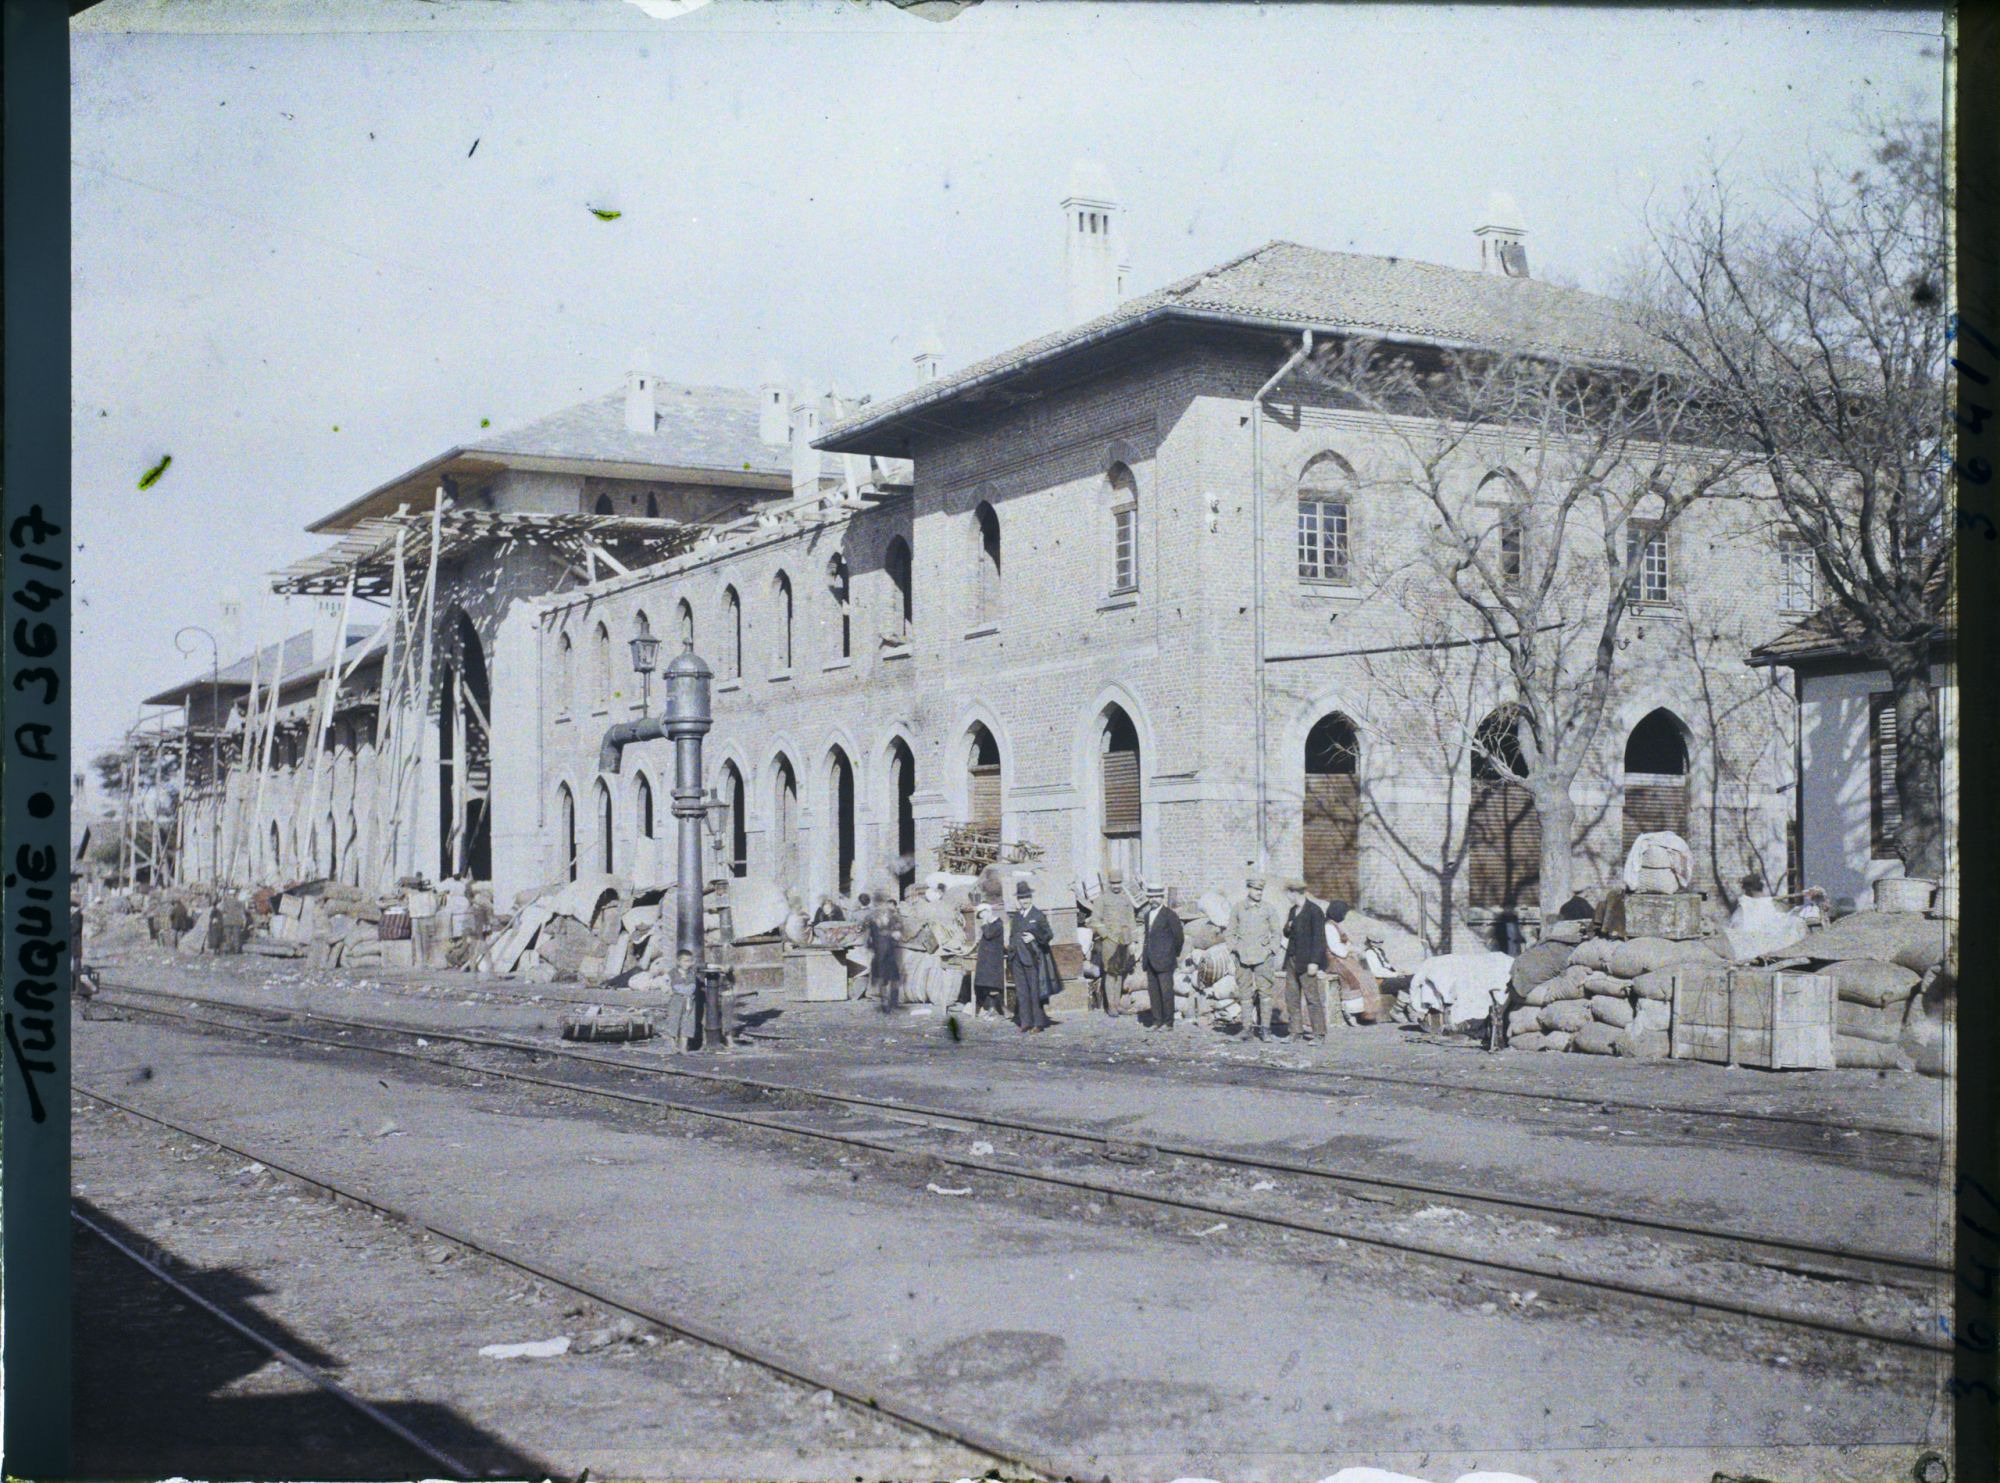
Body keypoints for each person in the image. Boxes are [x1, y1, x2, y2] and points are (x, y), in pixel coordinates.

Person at [1226, 872, 1283, 1041]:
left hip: (1263, 957)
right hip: (1242, 957)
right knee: (1245, 993)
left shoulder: (1268, 908)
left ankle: (1265, 1029)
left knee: (1265, 993)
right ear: (1248, 889)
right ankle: (1246, 1029)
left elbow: (1276, 933)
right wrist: (1234, 950)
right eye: (1256, 889)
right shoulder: (1238, 908)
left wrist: (1271, 950)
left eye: (1261, 890)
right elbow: (1229, 932)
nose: (1259, 892)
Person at [1280, 881, 1330, 1042]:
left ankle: (1319, 1034)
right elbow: (1288, 934)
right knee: (1291, 998)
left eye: (1288, 894)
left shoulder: (1314, 911)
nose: (1287, 897)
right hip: (1292, 960)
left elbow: (1319, 939)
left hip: (1307, 961)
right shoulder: (1293, 911)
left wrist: (1315, 962)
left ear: (1295, 893)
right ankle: (1295, 1032)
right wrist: (1288, 926)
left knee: (1312, 998)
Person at [1091, 868, 1137, 1017]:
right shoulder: (1102, 899)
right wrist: (1105, 935)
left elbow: (1131, 921)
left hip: (1124, 941)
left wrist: (1132, 941)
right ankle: (1110, 1005)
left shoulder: (1126, 899)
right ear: (1109, 883)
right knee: (1111, 973)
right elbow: (1095, 920)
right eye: (1113, 883)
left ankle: (1117, 1004)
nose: (1116, 886)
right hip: (1110, 942)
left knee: (1120, 972)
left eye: (1118, 883)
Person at [1008, 881, 1053, 1032]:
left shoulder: (1038, 915)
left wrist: (1034, 936)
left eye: (1026, 897)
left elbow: (1048, 935)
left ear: (1031, 897)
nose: (1024, 900)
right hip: (1017, 959)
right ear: (1018, 900)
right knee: (1021, 991)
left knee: (1035, 991)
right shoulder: (1016, 917)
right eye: (1021, 898)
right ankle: (1025, 1022)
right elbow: (1012, 935)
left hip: (1032, 959)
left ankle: (1038, 1023)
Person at [1139, 882, 1183, 1030]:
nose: (1153, 900)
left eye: (1156, 897)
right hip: (1150, 959)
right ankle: (1156, 1021)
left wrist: (1171, 954)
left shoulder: (1170, 915)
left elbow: (1179, 938)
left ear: (1162, 897)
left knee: (1166, 992)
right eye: (1151, 897)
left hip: (1165, 960)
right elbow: (1148, 937)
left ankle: (1168, 1022)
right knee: (1154, 992)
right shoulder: (1147, 915)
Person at [864, 888, 905, 1012]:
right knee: (886, 976)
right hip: (882, 950)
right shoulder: (874, 916)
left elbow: (899, 928)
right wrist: (892, 933)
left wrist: (896, 932)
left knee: (891, 976)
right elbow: (868, 934)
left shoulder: (887, 915)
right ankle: (887, 1002)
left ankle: (890, 1001)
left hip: (886, 950)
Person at [973, 900, 1008, 1017]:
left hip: (993, 960)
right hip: (986, 959)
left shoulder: (997, 924)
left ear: (988, 912)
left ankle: (1000, 1007)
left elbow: (988, 935)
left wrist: (983, 923)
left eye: (982, 914)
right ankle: (991, 1007)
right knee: (986, 984)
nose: (982, 917)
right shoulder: (989, 925)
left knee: (993, 985)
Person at [664, 947, 699, 1051]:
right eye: (685, 961)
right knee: (673, 1022)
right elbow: (674, 986)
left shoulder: (691, 973)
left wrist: (684, 989)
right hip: (676, 1000)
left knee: (687, 1023)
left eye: (690, 961)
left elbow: (692, 987)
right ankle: (673, 1047)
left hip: (689, 1002)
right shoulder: (673, 973)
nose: (688, 963)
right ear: (679, 962)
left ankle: (683, 1048)